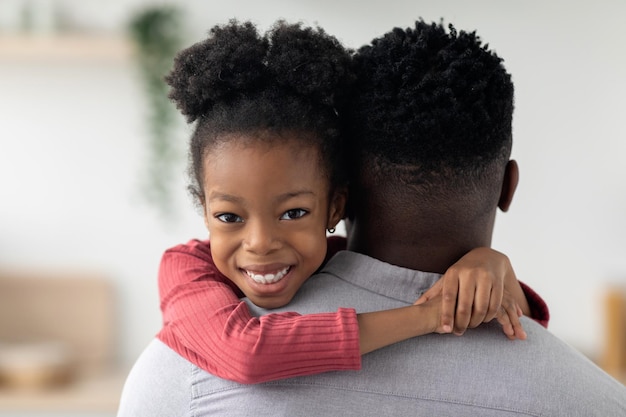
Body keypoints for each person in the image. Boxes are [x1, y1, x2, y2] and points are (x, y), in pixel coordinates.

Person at [117, 19, 626, 416]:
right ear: (508, 186)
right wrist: (433, 314)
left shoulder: (176, 375)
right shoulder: (598, 400)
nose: (261, 242)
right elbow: (249, 352)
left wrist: (491, 266)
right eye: (230, 216)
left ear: (338, 201)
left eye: (292, 212)